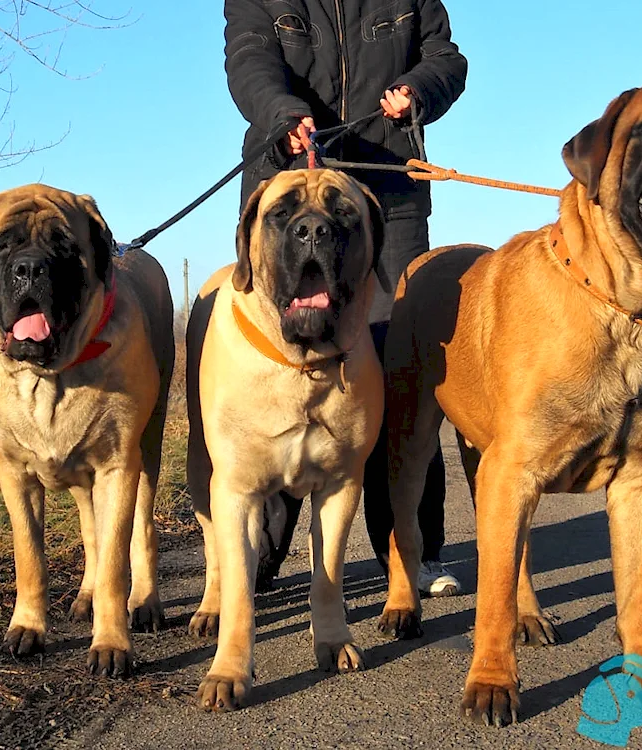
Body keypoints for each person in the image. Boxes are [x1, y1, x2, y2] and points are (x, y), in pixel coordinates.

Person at [223, 0, 467, 596]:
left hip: (387, 195)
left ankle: (413, 549)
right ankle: (261, 550)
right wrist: (284, 116)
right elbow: (249, 59)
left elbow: (446, 58)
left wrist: (418, 88)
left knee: (398, 366)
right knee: (277, 369)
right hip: (285, 190)